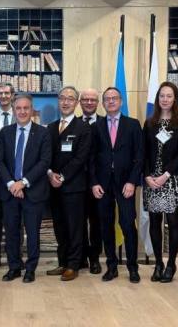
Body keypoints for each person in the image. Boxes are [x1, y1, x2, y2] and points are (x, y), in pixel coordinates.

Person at [89, 87, 144, 283]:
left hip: (125, 184)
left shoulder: (133, 125)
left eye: (114, 98)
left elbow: (139, 157)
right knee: (105, 226)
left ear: (120, 102)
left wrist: (132, 181)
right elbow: (91, 158)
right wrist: (94, 183)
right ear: (103, 104)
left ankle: (132, 267)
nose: (111, 101)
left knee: (128, 224)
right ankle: (111, 266)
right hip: (103, 185)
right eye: (107, 99)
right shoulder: (96, 126)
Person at [0, 94, 51, 284]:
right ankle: (14, 267)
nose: (22, 111)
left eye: (26, 108)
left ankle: (30, 269)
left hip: (33, 191)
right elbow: (0, 161)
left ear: (32, 109)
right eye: (18, 108)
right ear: (13, 109)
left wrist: (23, 182)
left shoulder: (43, 133)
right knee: (11, 232)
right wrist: (12, 184)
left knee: (32, 233)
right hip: (10, 192)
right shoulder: (5, 132)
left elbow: (44, 162)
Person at [142, 81, 178, 283]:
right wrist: (147, 176)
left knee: (172, 223)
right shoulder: (150, 123)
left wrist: (166, 175)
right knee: (154, 221)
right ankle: (158, 264)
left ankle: (171, 263)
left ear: (175, 99)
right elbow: (143, 152)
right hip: (152, 180)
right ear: (157, 99)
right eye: (162, 96)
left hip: (172, 179)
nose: (165, 99)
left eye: (169, 96)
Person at [46, 86, 91, 281]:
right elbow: (45, 156)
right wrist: (49, 174)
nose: (65, 102)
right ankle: (63, 262)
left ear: (76, 102)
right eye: (62, 98)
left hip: (74, 187)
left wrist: (62, 177)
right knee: (60, 226)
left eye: (70, 99)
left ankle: (74, 264)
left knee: (74, 227)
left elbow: (80, 159)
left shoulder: (84, 128)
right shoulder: (50, 127)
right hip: (53, 187)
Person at [78, 88, 102, 274]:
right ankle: (81, 257)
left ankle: (95, 258)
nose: (88, 102)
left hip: (99, 184)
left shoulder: (104, 123)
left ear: (98, 102)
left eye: (92, 99)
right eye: (85, 99)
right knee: (78, 222)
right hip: (76, 181)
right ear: (80, 102)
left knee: (96, 223)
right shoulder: (74, 124)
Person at [0, 82, 16, 269]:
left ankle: (16, 258)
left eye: (7, 93)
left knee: (16, 222)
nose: (4, 96)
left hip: (16, 179)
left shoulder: (22, 115)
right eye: (0, 93)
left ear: (13, 95)